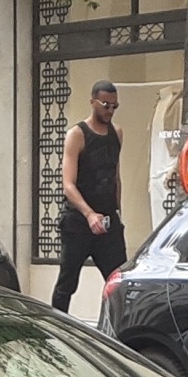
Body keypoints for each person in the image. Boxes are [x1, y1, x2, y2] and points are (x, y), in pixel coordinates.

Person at [52, 81, 124, 316]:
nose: (110, 111)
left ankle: (118, 333)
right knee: (67, 283)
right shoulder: (77, 135)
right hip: (78, 222)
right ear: (93, 102)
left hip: (108, 221)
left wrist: (117, 213)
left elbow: (115, 176)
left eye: (114, 106)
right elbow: (68, 185)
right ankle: (57, 331)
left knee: (118, 283)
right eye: (105, 105)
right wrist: (88, 213)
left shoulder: (117, 133)